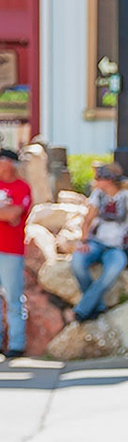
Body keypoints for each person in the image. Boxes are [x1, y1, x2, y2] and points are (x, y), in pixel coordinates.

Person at [70, 162, 128, 321]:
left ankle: (82, 310)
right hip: (96, 242)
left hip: (118, 247)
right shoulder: (98, 195)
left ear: (108, 180)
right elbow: (87, 220)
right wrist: (83, 241)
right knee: (77, 262)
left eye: (98, 177)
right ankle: (97, 305)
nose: (95, 181)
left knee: (111, 272)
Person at [0, 148, 28, 360]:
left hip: (11, 250)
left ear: (9, 163)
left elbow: (13, 214)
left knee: (13, 298)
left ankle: (17, 344)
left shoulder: (21, 187)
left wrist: (8, 214)